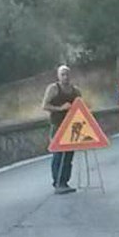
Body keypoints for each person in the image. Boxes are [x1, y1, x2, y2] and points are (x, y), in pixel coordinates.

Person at [42, 65, 81, 195]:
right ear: (58, 76)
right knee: (58, 155)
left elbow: (81, 107)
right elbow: (45, 106)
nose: (65, 77)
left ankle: (65, 182)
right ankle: (57, 182)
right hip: (57, 126)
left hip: (71, 128)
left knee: (69, 156)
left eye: (67, 74)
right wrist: (61, 108)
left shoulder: (75, 91)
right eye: (62, 74)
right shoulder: (53, 89)